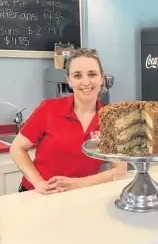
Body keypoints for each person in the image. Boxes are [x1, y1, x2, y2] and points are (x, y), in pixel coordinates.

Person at [10, 48, 127, 195]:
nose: (85, 82)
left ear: (101, 79)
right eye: (77, 75)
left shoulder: (111, 120)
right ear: (69, 80)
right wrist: (38, 182)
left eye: (92, 74)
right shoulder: (48, 109)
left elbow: (120, 170)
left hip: (80, 196)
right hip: (38, 194)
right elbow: (17, 148)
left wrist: (78, 184)